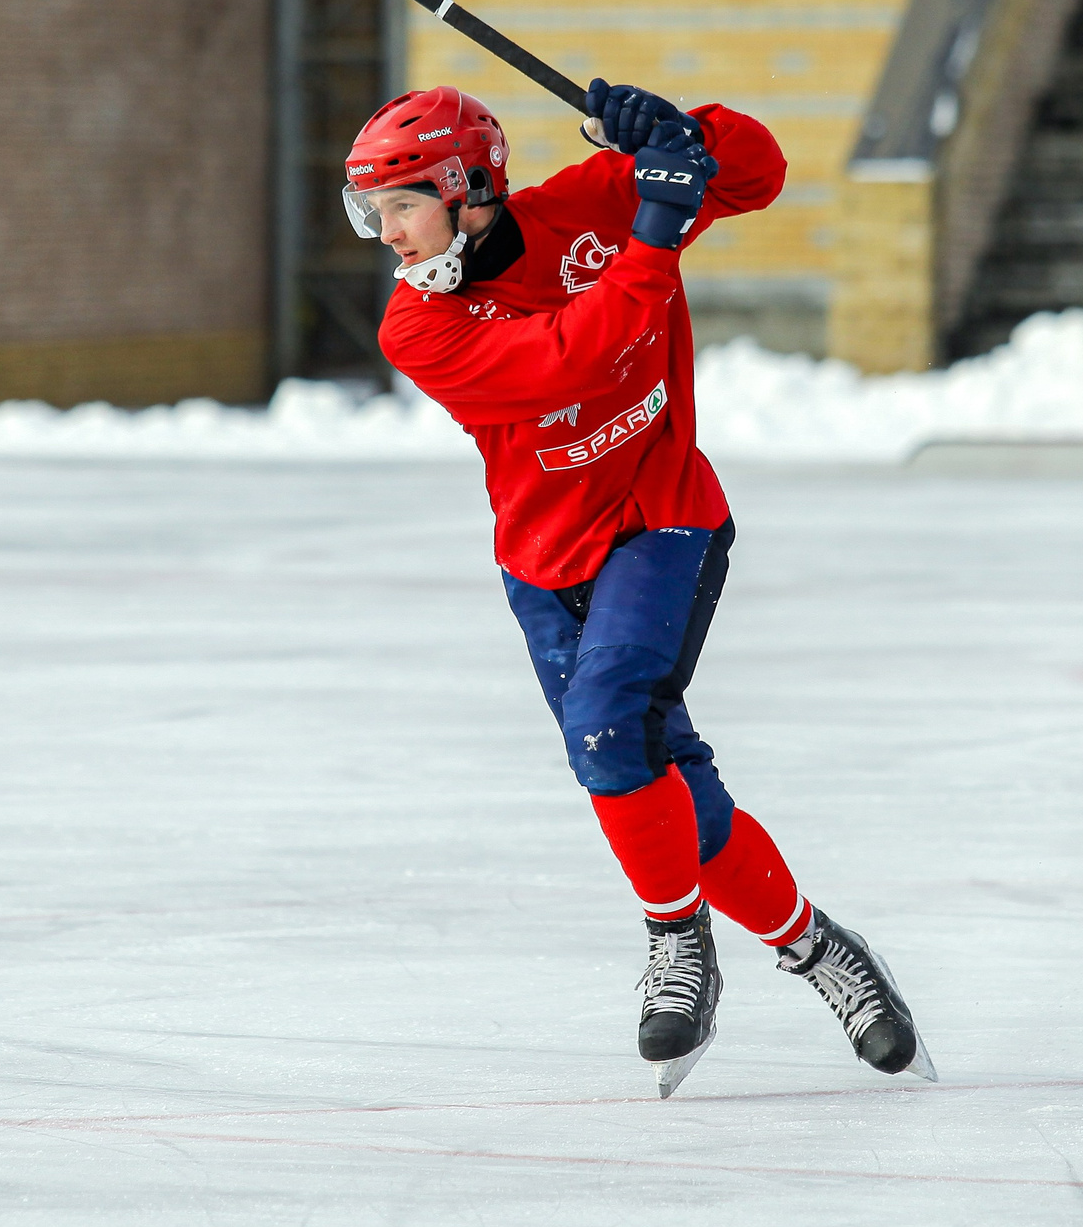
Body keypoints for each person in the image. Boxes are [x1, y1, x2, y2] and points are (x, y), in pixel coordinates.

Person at [346, 78, 932, 1097]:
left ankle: (678, 945)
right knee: (662, 786)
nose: (388, 234)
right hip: (544, 562)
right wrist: (655, 229)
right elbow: (573, 360)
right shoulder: (417, 327)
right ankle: (819, 949)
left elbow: (757, 172)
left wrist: (680, 130)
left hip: (664, 516)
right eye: (374, 212)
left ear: (465, 186)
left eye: (401, 205)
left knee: (612, 720)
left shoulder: (591, 201)